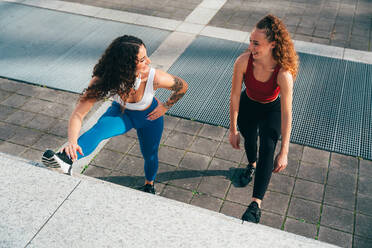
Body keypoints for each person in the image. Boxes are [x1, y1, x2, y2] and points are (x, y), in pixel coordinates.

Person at [42, 35, 188, 194]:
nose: (148, 62)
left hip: (149, 117)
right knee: (99, 131)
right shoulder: (104, 79)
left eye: (146, 57)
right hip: (122, 113)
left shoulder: (156, 77)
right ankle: (65, 159)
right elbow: (78, 114)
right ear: (125, 64)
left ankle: (149, 185)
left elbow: (183, 87)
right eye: (142, 60)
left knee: (150, 153)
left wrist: (166, 106)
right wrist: (71, 141)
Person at [229, 14, 298, 223]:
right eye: (250, 41)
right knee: (250, 140)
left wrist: (284, 151)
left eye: (256, 43)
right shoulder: (243, 62)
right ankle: (251, 164)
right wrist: (233, 129)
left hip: (272, 110)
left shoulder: (283, 73)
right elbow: (234, 95)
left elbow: (287, 113)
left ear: (272, 45)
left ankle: (255, 204)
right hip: (249, 104)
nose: (251, 46)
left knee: (268, 149)